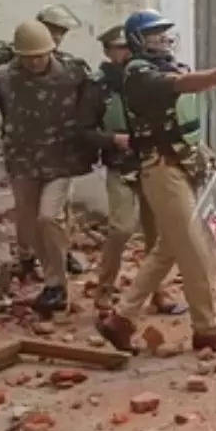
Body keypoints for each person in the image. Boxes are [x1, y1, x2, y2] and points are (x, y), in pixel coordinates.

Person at [96, 9, 216, 355]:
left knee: (167, 249)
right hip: (161, 169)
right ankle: (207, 330)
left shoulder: (166, 67)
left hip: (182, 165)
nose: (163, 41)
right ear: (138, 41)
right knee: (195, 252)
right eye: (155, 35)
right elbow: (182, 86)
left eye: (165, 34)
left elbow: (184, 124)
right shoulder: (139, 75)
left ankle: (121, 320)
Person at [0, 20, 94, 318]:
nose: (34, 62)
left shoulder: (74, 71)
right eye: (27, 57)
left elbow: (97, 103)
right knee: (30, 225)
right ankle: (51, 281)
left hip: (61, 159)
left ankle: (57, 284)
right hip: (23, 160)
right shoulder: (5, 77)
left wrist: (98, 141)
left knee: (49, 217)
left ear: (52, 50)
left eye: (40, 56)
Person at [77, 25, 182, 314]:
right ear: (108, 51)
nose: (125, 53)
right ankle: (105, 288)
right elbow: (83, 129)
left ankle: (158, 291)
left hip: (151, 160)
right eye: (119, 48)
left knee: (157, 233)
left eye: (128, 47)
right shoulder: (97, 85)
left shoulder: (146, 75)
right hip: (121, 164)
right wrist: (112, 139)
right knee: (122, 227)